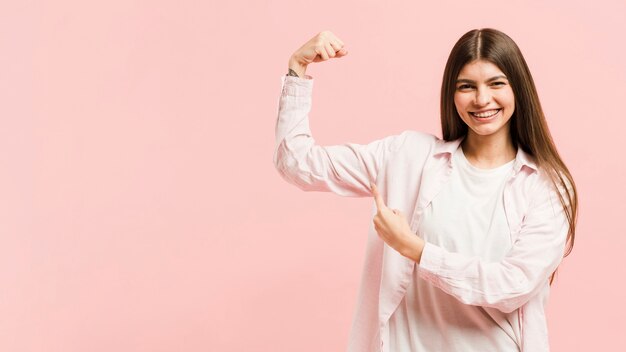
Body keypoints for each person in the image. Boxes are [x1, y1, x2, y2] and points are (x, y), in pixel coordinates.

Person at [273, 28, 578, 352]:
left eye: (496, 83)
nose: (481, 99)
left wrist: (416, 250)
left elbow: (512, 285)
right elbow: (298, 164)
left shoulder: (546, 187)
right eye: (467, 86)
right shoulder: (409, 156)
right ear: (451, 93)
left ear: (518, 88)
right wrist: (297, 69)